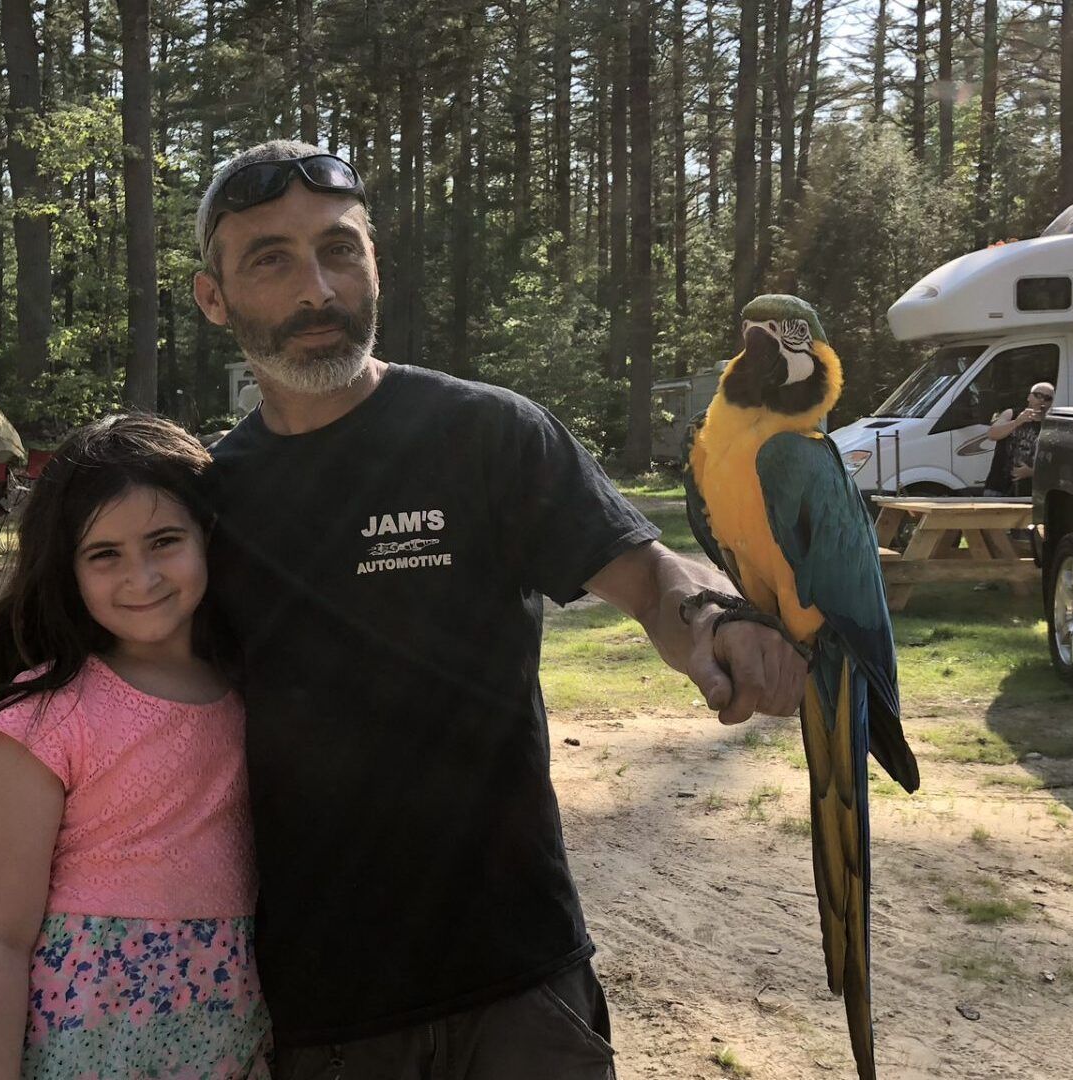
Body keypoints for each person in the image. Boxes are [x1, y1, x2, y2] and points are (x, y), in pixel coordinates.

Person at [191, 139, 807, 1079]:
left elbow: (649, 578)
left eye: (339, 248)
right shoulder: (210, 501)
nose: (316, 287)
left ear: (373, 265)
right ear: (214, 298)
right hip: (326, 1002)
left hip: (520, 978)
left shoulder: (484, 433)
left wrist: (718, 623)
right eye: (270, 260)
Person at [0, 416, 270, 1080]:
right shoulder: (43, 721)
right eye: (105, 555)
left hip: (231, 1047)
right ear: (66, 568)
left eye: (164, 541)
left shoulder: (257, 692)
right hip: (83, 1055)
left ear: (208, 535)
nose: (141, 575)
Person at [983, 381, 1053, 496]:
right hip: (998, 486)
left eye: (1047, 398)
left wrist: (1031, 472)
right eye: (1038, 395)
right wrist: (1017, 422)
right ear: (1029, 397)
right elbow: (992, 434)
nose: (1041, 400)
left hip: (1030, 491)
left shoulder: (1050, 426)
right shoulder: (1011, 413)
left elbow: (1053, 465)